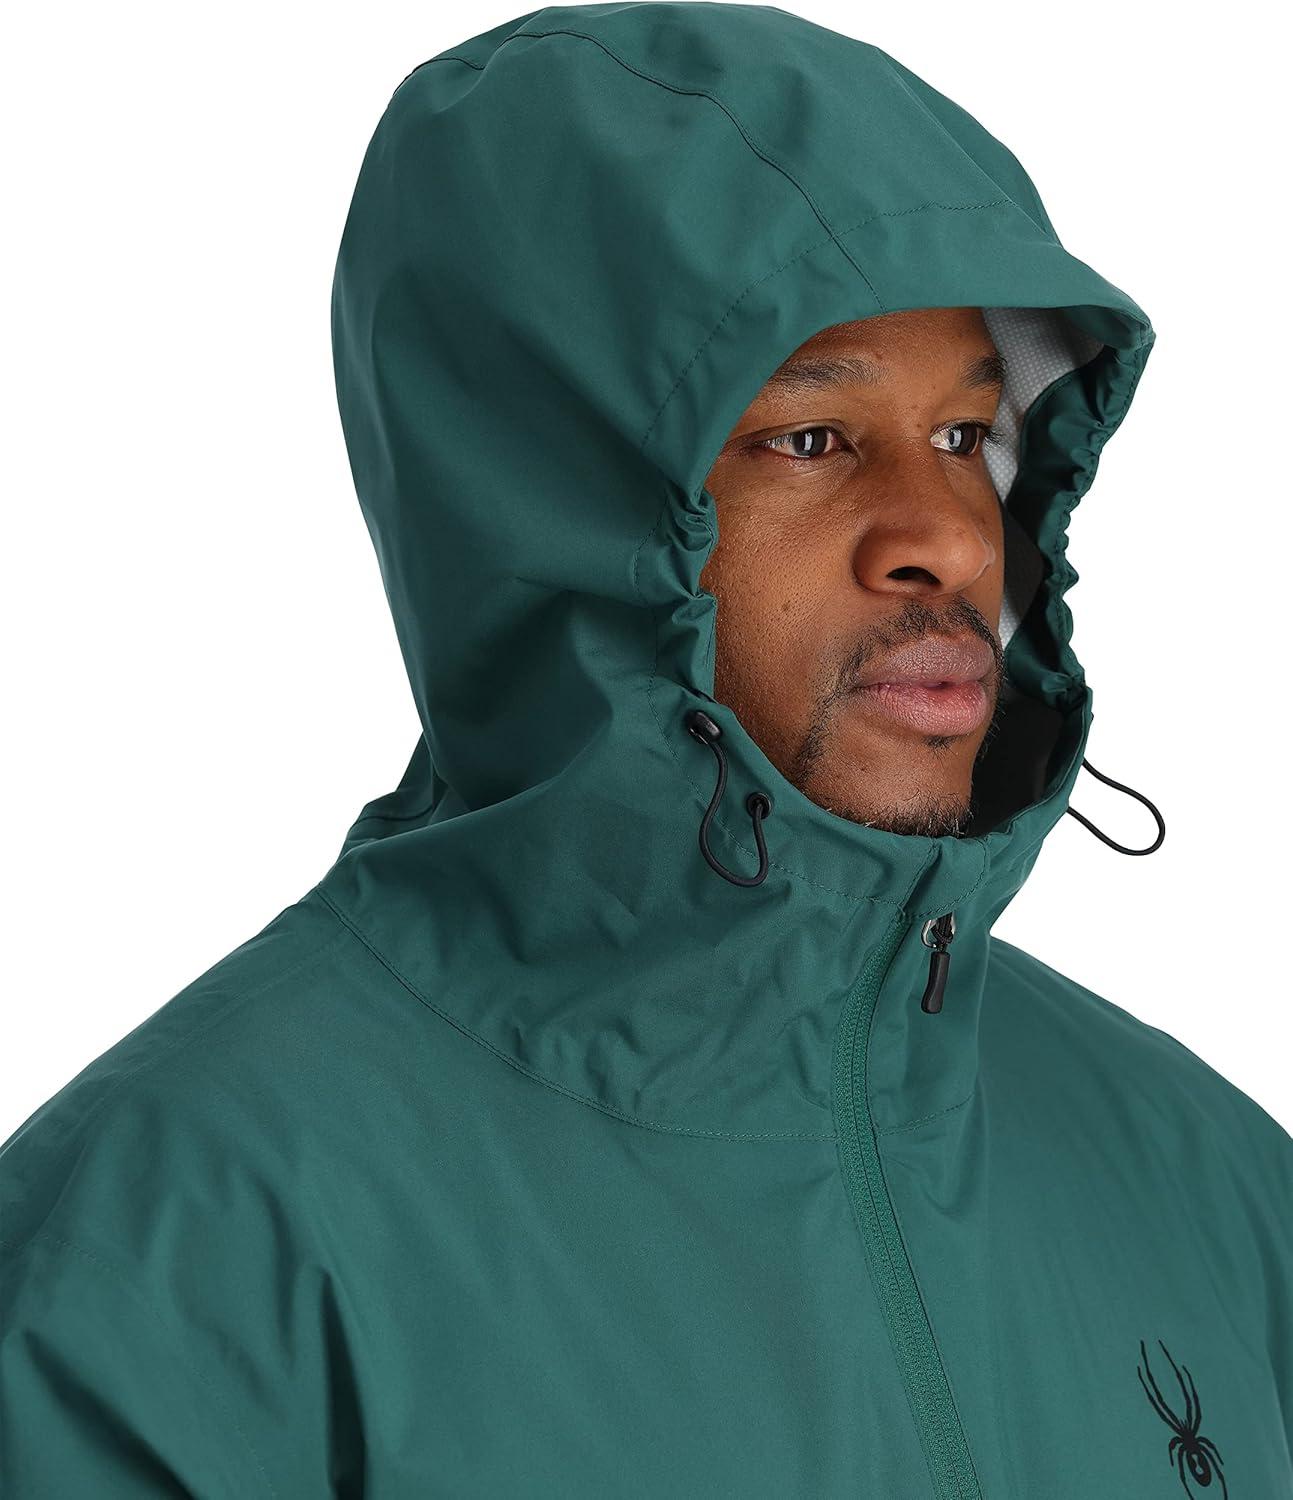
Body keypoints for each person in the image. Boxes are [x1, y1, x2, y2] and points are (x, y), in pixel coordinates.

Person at [2, 4, 1289, 1497]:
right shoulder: (177, 1260)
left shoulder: (1206, 1179)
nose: (946, 539)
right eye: (809, 441)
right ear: (557, 512)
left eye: (964, 438)